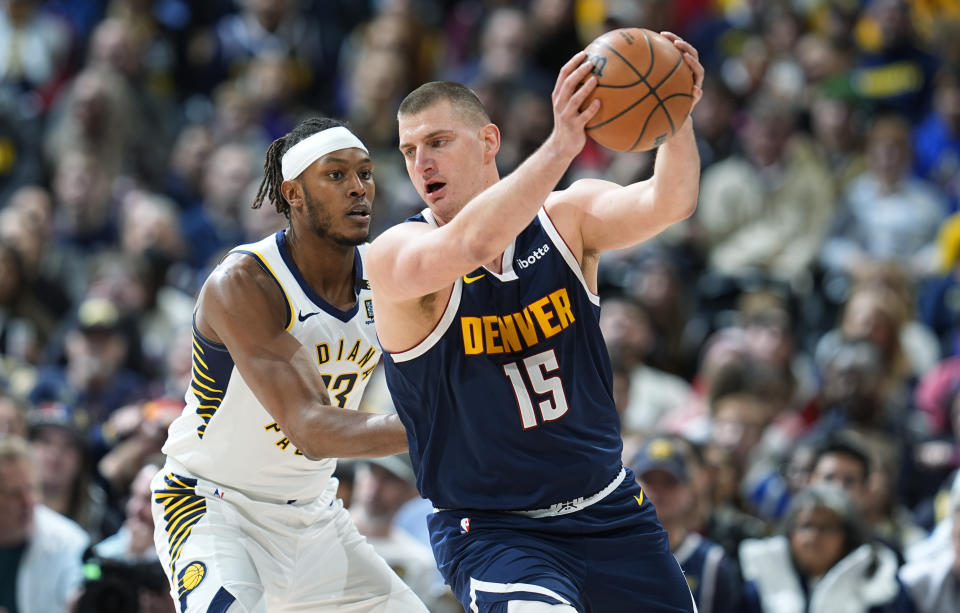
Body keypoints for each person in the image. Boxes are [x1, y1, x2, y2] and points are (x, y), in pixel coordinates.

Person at [367, 37, 704, 612]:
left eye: (439, 142)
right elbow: (474, 241)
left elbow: (669, 203)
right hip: (495, 532)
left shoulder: (566, 219)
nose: (421, 163)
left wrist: (676, 110)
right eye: (408, 150)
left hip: (609, 509)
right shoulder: (395, 253)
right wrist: (561, 145)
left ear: (488, 141)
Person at [150, 117, 427, 612]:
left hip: (314, 518)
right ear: (294, 193)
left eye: (365, 173)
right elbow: (310, 427)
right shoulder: (244, 283)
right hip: (214, 505)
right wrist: (444, 421)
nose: (359, 188)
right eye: (336, 175)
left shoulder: (382, 274)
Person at [631, 435, 745, 613]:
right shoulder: (610, 552)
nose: (658, 491)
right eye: (649, 480)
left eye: (669, 482)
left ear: (689, 490)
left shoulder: (712, 563)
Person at [0, 435, 89, 613]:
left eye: (32, 488)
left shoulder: (70, 541)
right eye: (14, 494)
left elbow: (78, 591)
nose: (29, 502)